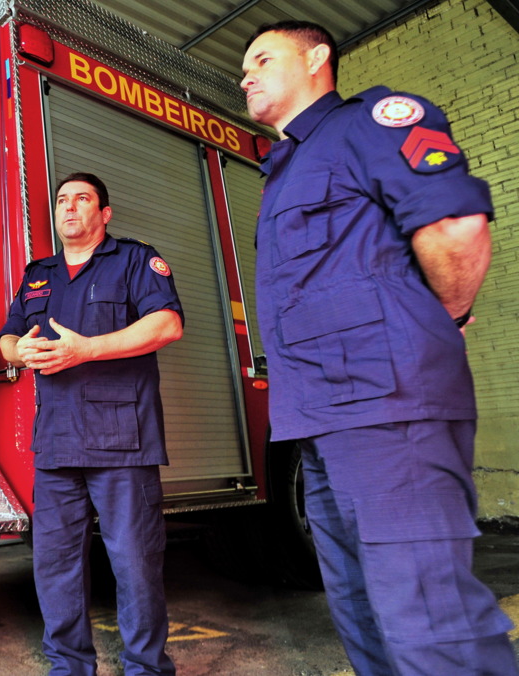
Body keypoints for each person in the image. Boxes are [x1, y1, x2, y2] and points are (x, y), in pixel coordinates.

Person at [241, 21, 518, 675]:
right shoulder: (283, 169)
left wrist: (439, 319)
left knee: (428, 622)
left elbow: (455, 226)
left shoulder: (370, 123)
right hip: (319, 423)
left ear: (316, 58)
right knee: (364, 616)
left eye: (262, 57)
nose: (246, 74)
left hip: (388, 410)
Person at [0, 173, 182, 676]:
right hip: (57, 442)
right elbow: (7, 337)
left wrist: (87, 349)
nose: (70, 208)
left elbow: (167, 323)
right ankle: (69, 667)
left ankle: (147, 669)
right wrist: (21, 351)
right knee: (55, 566)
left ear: (105, 213)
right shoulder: (39, 274)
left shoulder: (134, 260)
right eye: (62, 200)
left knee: (136, 565)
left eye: (83, 199)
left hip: (122, 438)